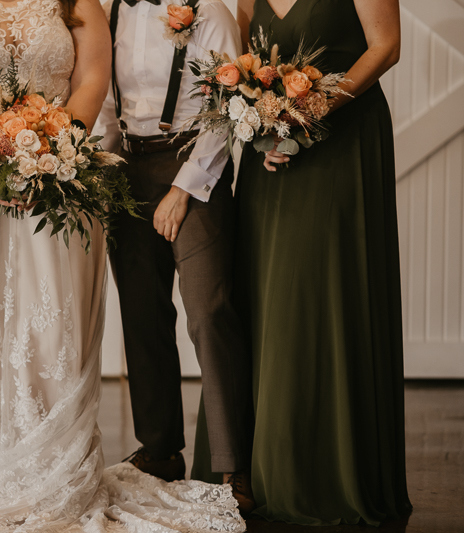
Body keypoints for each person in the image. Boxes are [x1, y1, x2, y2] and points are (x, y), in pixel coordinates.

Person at [0, 0, 246, 531]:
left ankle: (57, 464)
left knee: (51, 326)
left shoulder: (81, 0)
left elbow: (92, 80)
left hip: (52, 175)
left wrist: (48, 150)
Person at [193, 0, 413, 526]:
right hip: (271, 159)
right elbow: (246, 66)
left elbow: (386, 47)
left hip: (343, 145)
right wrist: (264, 127)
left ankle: (324, 473)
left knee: (327, 291)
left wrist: (311, 112)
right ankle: (252, 470)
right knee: (268, 299)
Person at [92, 0, 255, 512]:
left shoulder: (210, 13)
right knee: (142, 315)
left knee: (209, 313)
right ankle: (160, 450)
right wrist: (106, 172)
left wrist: (183, 190)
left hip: (194, 164)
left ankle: (237, 464)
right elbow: (104, 104)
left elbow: (228, 108)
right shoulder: (108, 12)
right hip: (129, 167)